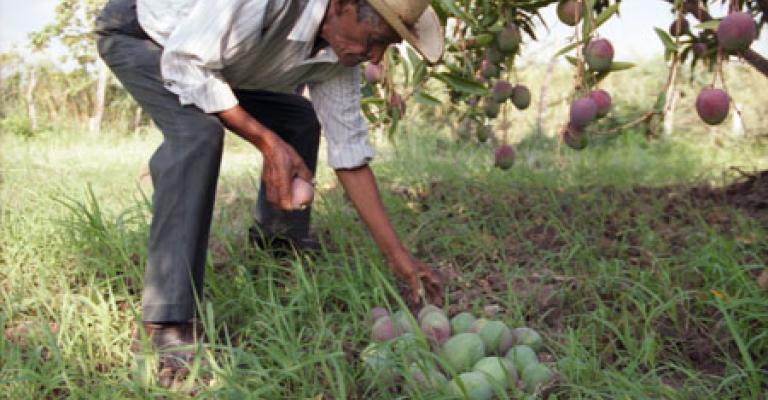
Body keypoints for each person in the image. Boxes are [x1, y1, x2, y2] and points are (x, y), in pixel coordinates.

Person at [94, 0, 445, 373]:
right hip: (149, 38)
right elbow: (186, 63)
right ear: (341, 6)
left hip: (215, 62)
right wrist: (266, 141)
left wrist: (398, 257)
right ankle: (166, 322)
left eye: (386, 47)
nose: (375, 56)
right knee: (197, 135)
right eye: (375, 39)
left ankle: (278, 244)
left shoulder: (339, 62)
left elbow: (350, 155)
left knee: (300, 119)